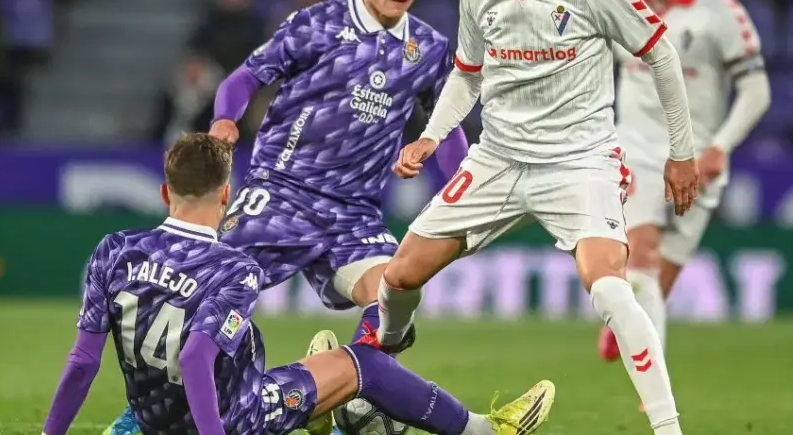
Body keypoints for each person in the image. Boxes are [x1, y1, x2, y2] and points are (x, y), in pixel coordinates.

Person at [106, 0, 470, 435]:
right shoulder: (315, 25)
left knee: (397, 294)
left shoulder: (430, 51)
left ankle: (343, 392)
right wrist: (225, 120)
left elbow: (447, 124)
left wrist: (460, 188)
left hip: (354, 215)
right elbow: (246, 76)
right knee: (197, 290)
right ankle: (142, 416)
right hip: (281, 195)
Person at [366, 0, 703, 435]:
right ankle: (378, 362)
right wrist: (432, 137)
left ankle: (668, 429)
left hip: (579, 163)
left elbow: (659, 53)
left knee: (611, 289)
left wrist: (681, 154)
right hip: (498, 159)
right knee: (399, 276)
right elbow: (468, 74)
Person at [40, 133, 556, 435]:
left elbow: (83, 362)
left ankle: (321, 410)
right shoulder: (233, 268)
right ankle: (485, 429)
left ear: (163, 191)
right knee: (365, 363)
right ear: (226, 196)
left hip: (153, 422)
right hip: (232, 419)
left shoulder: (115, 250)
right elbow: (197, 358)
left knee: (303, 362)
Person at [598, 0, 771, 361]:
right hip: (634, 152)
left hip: (698, 157)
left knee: (658, 279)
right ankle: (654, 391)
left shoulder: (721, 11)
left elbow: (757, 90)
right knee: (645, 257)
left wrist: (720, 147)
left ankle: (626, 318)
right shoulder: (619, 6)